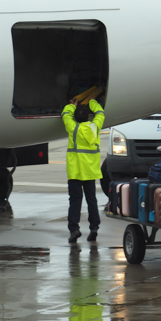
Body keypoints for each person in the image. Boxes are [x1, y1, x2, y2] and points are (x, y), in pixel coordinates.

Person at [62, 89, 105, 243]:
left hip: (75, 172)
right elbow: (100, 113)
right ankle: (94, 227)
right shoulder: (95, 128)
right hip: (90, 172)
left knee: (75, 201)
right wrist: (92, 100)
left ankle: (74, 229)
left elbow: (65, 115)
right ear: (88, 116)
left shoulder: (73, 129)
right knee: (91, 200)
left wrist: (72, 105)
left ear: (76, 117)